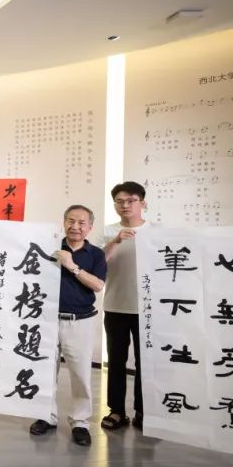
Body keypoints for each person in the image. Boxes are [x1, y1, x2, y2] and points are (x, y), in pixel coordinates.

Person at [28, 205, 107, 447]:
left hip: (80, 321)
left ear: (90, 227)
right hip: (47, 320)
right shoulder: (49, 247)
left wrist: (71, 265)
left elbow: (98, 285)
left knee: (81, 374)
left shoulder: (96, 254)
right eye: (71, 221)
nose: (75, 226)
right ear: (63, 222)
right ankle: (46, 416)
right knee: (45, 370)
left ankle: (80, 422)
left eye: (81, 223)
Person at [100, 181, 150, 431]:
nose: (125, 205)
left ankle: (144, 411)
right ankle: (117, 411)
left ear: (143, 203)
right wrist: (116, 240)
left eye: (131, 200)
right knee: (116, 361)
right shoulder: (107, 232)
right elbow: (97, 263)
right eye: (120, 201)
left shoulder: (157, 231)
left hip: (149, 310)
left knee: (146, 363)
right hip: (116, 306)